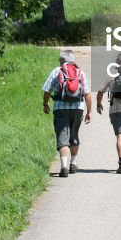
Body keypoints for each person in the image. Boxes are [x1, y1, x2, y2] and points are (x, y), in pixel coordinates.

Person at [43, 50, 92, 178]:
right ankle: (73, 163)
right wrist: (89, 111)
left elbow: (47, 90)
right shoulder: (80, 72)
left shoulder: (56, 71)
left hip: (60, 108)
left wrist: (45, 103)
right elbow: (87, 94)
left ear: (62, 60)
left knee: (62, 137)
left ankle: (64, 167)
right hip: (77, 108)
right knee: (74, 134)